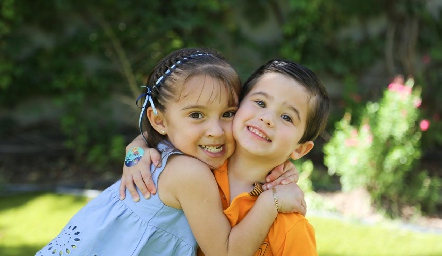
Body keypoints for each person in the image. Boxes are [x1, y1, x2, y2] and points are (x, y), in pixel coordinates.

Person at [36, 48, 304, 256]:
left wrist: (135, 150)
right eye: (197, 114)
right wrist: (272, 202)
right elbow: (226, 252)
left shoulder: (172, 148)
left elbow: (147, 136)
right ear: (159, 120)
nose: (216, 131)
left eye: (227, 114)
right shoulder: (190, 172)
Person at [121, 58, 330, 255]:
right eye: (260, 103)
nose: (267, 119)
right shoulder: (203, 160)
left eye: (286, 117)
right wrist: (135, 151)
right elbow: (161, 129)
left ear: (300, 149)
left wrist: (271, 201)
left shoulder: (290, 228)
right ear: (238, 105)